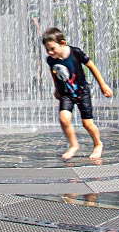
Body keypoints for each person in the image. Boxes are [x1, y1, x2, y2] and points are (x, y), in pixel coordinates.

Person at [42, 27, 113, 161]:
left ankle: (98, 143)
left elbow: (91, 66)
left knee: (87, 124)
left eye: (52, 48)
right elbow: (54, 72)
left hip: (82, 91)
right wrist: (57, 89)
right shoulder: (51, 60)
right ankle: (74, 145)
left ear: (62, 43)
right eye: (47, 50)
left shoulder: (75, 52)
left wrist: (103, 85)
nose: (50, 52)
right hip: (66, 94)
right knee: (64, 118)